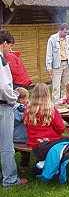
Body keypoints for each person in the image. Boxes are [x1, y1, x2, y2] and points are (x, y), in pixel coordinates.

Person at [0, 29, 28, 186]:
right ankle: (10, 179)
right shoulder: (1, 61)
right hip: (3, 106)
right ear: (4, 43)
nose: (10, 50)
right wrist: (14, 98)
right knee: (6, 145)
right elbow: (4, 86)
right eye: (9, 46)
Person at [24, 83, 66, 148]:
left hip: (34, 141)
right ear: (47, 94)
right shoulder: (51, 110)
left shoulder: (27, 110)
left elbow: (26, 125)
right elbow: (61, 128)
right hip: (50, 141)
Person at [46, 23, 69, 103]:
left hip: (67, 63)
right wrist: (49, 66)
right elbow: (49, 53)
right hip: (57, 65)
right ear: (60, 30)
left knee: (66, 86)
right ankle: (55, 105)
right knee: (56, 87)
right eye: (65, 32)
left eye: (67, 32)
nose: (66, 34)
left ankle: (65, 102)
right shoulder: (52, 39)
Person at [13, 87, 31, 172]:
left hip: (13, 136)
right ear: (21, 100)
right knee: (26, 152)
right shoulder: (20, 108)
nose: (28, 100)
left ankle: (12, 164)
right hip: (22, 138)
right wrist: (29, 107)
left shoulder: (11, 107)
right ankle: (24, 166)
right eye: (27, 98)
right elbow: (24, 116)